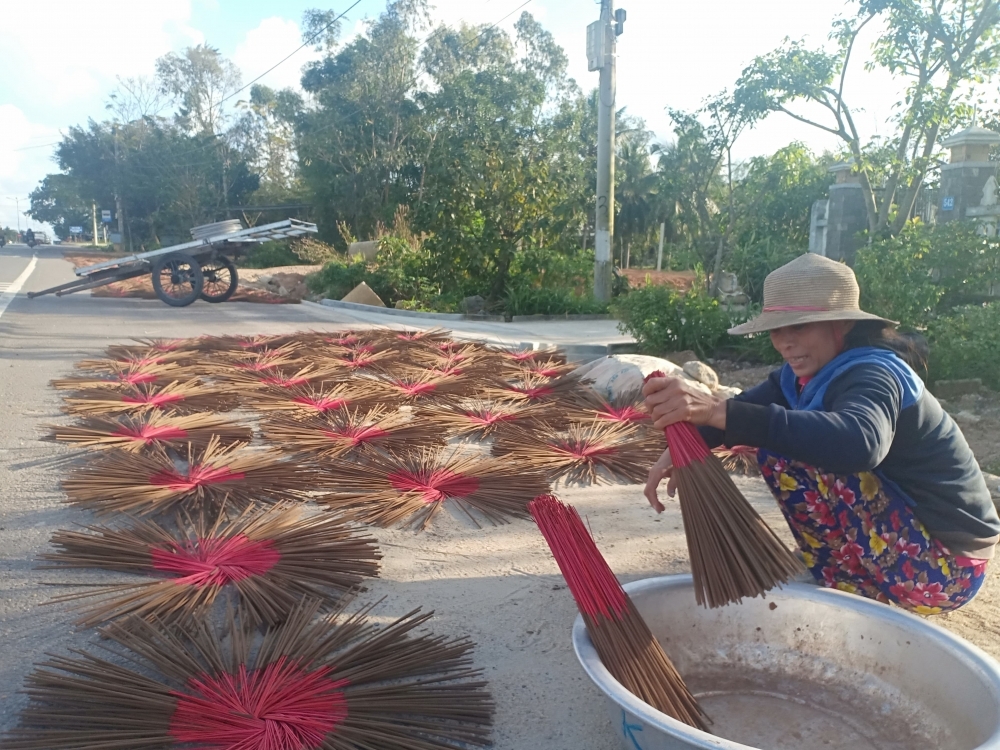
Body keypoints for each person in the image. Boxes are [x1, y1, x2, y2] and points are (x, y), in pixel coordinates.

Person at [642, 253, 999, 615]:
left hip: (945, 570)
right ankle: (841, 572)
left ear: (840, 324)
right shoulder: (802, 376)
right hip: (911, 550)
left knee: (786, 448)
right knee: (780, 434)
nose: (784, 343)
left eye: (798, 327)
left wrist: (720, 409)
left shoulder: (874, 374)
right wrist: (685, 446)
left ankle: (847, 583)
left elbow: (859, 443)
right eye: (777, 330)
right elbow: (747, 410)